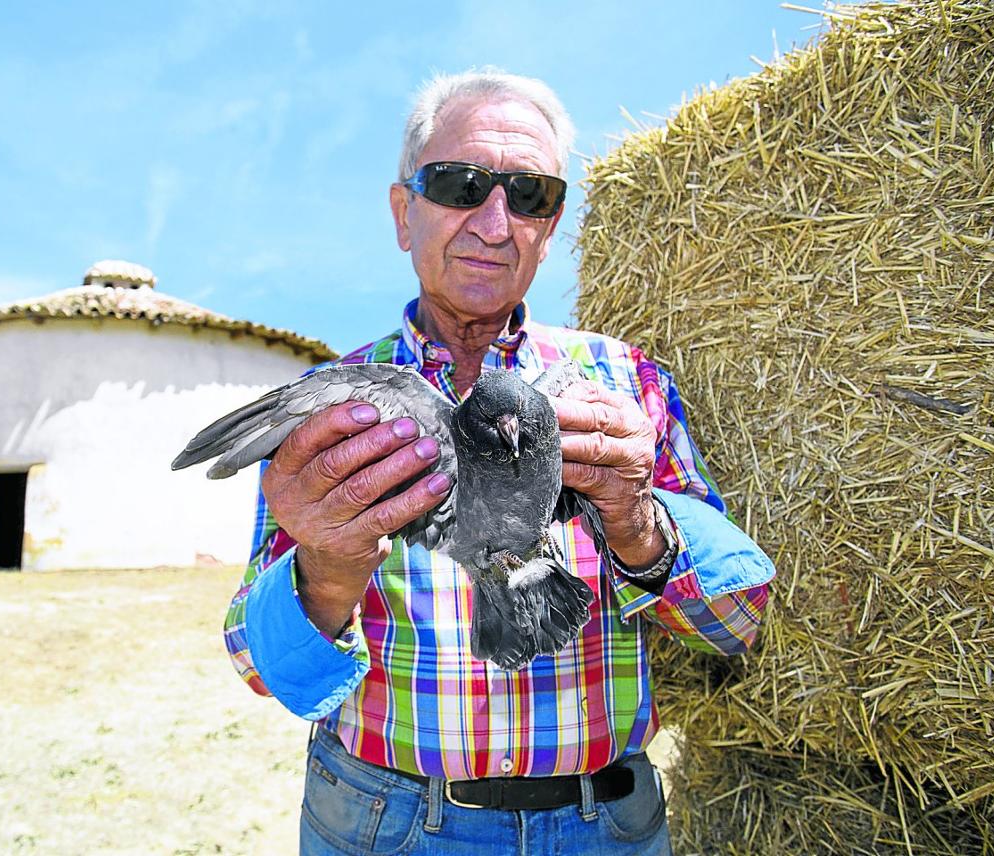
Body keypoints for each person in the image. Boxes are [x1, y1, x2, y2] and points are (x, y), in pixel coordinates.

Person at [223, 69, 774, 855]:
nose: (494, 222)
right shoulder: (335, 409)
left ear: (551, 229)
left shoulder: (626, 386)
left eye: (530, 195)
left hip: (605, 827)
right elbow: (263, 670)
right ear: (403, 212)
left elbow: (736, 627)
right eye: (459, 184)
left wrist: (635, 519)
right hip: (387, 826)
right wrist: (328, 569)